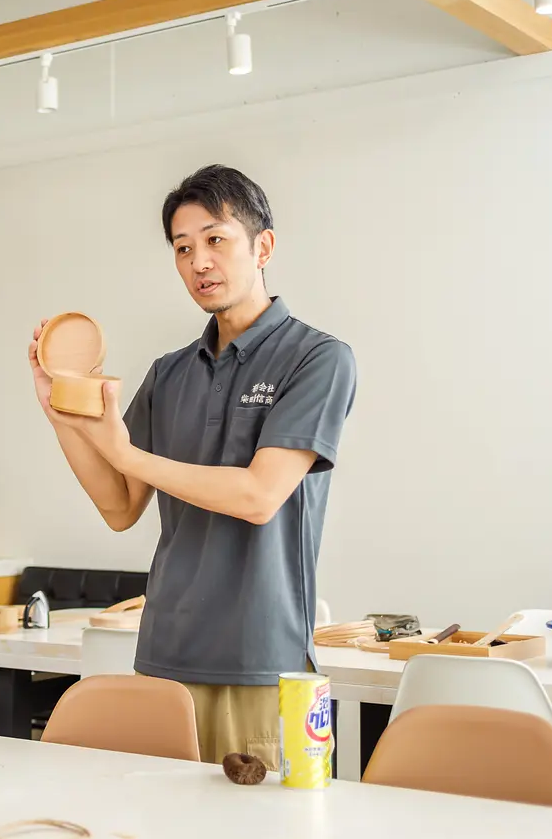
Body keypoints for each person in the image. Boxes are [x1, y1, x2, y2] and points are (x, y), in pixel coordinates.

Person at [29, 164, 356, 768]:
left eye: (215, 239)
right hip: (162, 657)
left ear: (263, 246)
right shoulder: (169, 372)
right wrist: (63, 418)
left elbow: (260, 496)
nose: (198, 261)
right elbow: (120, 506)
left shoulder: (318, 358)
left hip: (259, 662)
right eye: (183, 248)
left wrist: (126, 450)